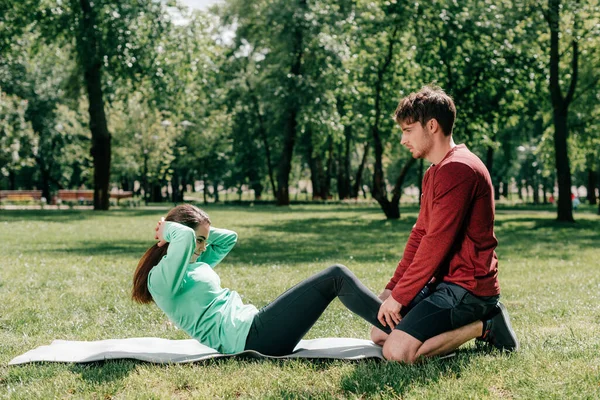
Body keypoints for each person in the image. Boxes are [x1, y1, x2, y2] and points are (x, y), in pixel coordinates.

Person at [370, 86, 519, 364]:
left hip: (468, 288)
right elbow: (420, 235)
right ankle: (443, 326)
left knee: (397, 352)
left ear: (432, 125)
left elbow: (436, 243)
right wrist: (392, 290)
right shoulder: (435, 171)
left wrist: (401, 297)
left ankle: (486, 325)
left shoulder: (459, 168)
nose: (403, 139)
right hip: (444, 284)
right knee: (380, 332)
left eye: (408, 130)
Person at [132, 204, 391, 356]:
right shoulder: (162, 280)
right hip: (252, 340)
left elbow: (228, 239)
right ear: (175, 239)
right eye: (199, 240)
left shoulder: (193, 263)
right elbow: (187, 240)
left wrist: (203, 231)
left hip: (255, 327)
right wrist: (167, 228)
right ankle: (402, 331)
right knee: (336, 276)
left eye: (204, 241)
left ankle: (400, 328)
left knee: (335, 276)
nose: (202, 247)